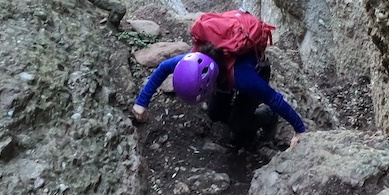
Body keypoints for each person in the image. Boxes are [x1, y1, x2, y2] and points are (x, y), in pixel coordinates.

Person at [131, 45, 307, 148]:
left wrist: (299, 129)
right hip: (223, 76)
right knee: (215, 113)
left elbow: (274, 98)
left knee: (237, 126)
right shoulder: (193, 62)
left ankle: (268, 117)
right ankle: (239, 118)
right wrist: (141, 102)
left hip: (256, 70)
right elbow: (162, 68)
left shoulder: (247, 80)